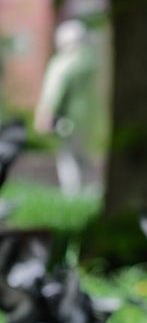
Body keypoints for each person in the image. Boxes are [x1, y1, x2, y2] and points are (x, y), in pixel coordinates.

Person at [34, 19, 97, 196]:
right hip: (87, 118)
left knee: (68, 157)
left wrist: (46, 114)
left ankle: (73, 194)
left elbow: (54, 91)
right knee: (80, 155)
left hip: (66, 118)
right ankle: (94, 189)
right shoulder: (91, 61)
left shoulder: (63, 63)